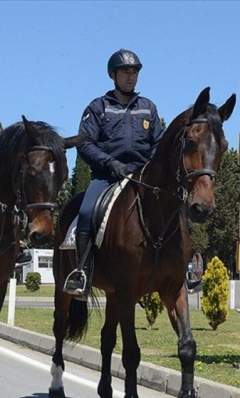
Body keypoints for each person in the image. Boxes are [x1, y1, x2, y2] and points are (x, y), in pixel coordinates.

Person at [63, 49, 164, 298]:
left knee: (172, 208)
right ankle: (82, 272)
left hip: (142, 177)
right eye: (125, 72)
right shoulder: (98, 107)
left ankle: (179, 271)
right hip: (107, 176)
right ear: (113, 75)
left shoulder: (148, 108)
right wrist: (111, 164)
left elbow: (159, 144)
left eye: (134, 72)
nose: (131, 77)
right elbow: (85, 144)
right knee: (86, 212)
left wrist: (149, 168)